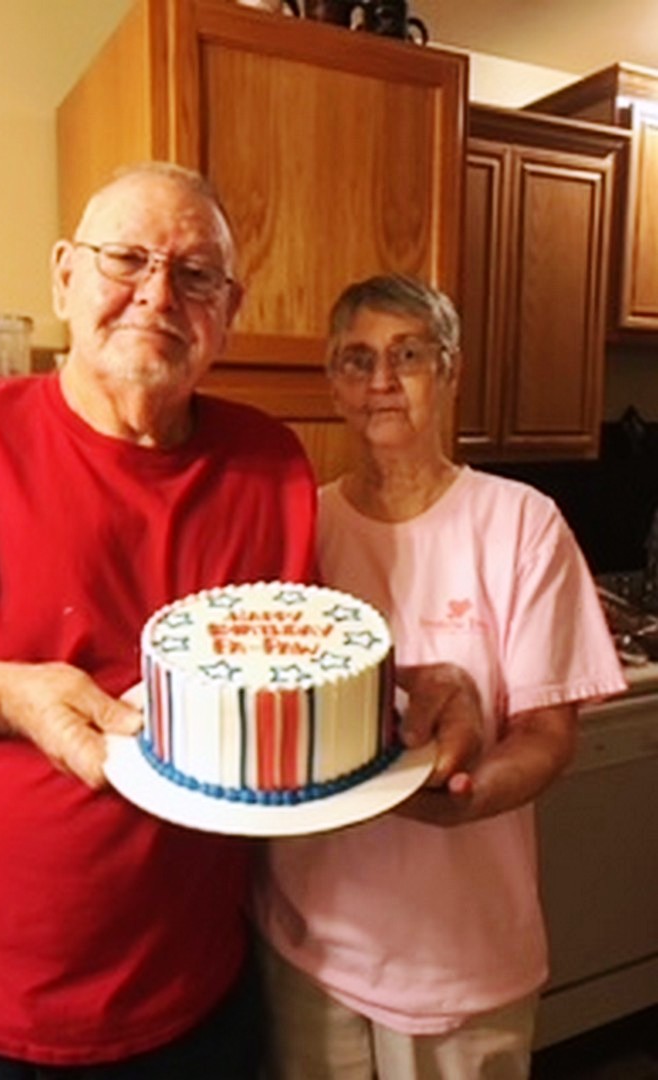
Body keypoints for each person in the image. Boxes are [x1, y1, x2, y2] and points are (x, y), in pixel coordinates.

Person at [0, 168, 476, 1078]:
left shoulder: (268, 463)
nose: (157, 295)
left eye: (195, 275)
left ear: (230, 309)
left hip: (191, 1015)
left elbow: (283, 670)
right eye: (127, 259)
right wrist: (9, 695)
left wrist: (412, 692)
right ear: (64, 275)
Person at [256, 274, 627, 1080]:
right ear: (333, 383)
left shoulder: (520, 522)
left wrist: (468, 797)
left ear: (450, 369)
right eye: (357, 360)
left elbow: (548, 734)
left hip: (463, 955)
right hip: (310, 944)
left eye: (409, 355)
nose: (382, 381)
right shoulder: (302, 526)